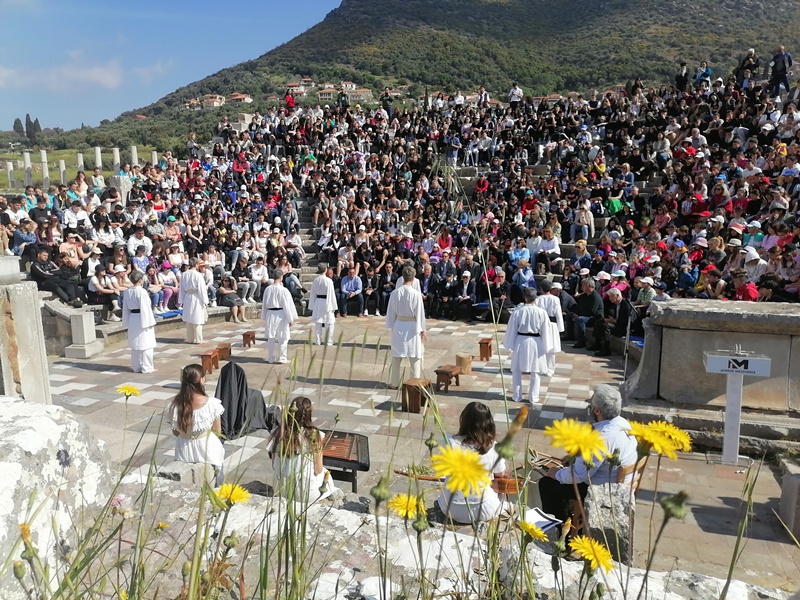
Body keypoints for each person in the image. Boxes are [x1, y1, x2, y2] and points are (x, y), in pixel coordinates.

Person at [538, 385, 638, 523]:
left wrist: (555, 473)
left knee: (547, 484)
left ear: (597, 410)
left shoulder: (600, 438)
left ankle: (559, 530)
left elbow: (579, 476)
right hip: (623, 484)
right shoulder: (623, 422)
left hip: (603, 491)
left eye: (591, 405)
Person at [435, 402, 512, 524]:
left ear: (464, 420)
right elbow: (500, 474)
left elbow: (443, 471)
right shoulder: (495, 447)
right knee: (504, 498)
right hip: (485, 509)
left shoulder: (450, 442)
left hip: (451, 508)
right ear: (489, 423)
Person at [268, 396, 334, 503]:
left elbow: (273, 465)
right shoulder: (315, 435)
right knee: (327, 475)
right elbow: (318, 470)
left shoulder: (277, 433)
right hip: (306, 494)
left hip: (280, 489)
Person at [169, 364, 225, 486]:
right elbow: (217, 431)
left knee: (187, 483)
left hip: (183, 447)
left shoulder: (175, 405)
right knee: (214, 483)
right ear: (201, 379)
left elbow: (175, 431)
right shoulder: (212, 404)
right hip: (207, 446)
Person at [503, 287, 551, 403]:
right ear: (536, 298)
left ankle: (517, 395)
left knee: (517, 370)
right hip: (536, 341)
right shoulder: (542, 312)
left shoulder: (518, 311)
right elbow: (546, 330)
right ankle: (533, 397)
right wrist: (547, 345)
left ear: (525, 298)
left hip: (521, 341)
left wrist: (510, 343)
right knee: (535, 371)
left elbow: (511, 329)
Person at [385, 266, 427, 389]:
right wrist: (423, 330)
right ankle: (414, 384)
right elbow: (420, 313)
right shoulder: (416, 294)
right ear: (413, 278)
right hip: (413, 326)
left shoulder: (394, 293)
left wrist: (392, 326)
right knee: (414, 356)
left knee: (396, 357)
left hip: (399, 324)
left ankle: (394, 383)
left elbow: (390, 312)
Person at [122, 270, 157, 374]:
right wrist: (149, 321)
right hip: (143, 317)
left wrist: (126, 320)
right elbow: (146, 307)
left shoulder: (127, 291)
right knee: (146, 344)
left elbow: (125, 308)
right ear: (140, 280)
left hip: (133, 318)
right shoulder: (142, 292)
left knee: (135, 344)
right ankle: (147, 367)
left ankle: (136, 367)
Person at [260, 269, 298, 364]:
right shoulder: (283, 290)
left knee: (271, 337)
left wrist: (264, 316)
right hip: (281, 314)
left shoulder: (268, 289)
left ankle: (270, 358)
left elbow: (264, 303)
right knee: (283, 337)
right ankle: (282, 358)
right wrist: (290, 319)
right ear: (281, 277)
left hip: (270, 313)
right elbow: (287, 305)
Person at [593, 288, 634, 357]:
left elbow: (627, 321)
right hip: (617, 323)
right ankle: (597, 344)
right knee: (599, 322)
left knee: (607, 326)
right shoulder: (615, 304)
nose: (609, 299)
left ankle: (606, 350)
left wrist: (614, 321)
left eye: (611, 296)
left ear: (617, 296)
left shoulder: (626, 305)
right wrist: (611, 319)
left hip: (624, 327)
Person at [534, 280, 564, 375]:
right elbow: (558, 314)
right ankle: (550, 369)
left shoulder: (538, 299)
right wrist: (560, 328)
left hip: (542, 325)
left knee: (542, 346)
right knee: (551, 347)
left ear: (541, 288)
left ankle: (541, 367)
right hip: (552, 324)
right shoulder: (556, 299)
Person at [179, 258, 209, 344]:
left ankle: (190, 339)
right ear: (196, 264)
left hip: (187, 297)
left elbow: (181, 288)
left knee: (189, 318)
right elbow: (202, 289)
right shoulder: (198, 275)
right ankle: (198, 339)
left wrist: (181, 300)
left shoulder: (184, 274)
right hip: (196, 297)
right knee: (197, 318)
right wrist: (205, 301)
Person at [310, 262, 338, 345]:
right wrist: (333, 306)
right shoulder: (328, 281)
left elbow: (313, 293)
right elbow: (331, 294)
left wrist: (313, 304)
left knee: (318, 323)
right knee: (329, 322)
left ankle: (318, 340)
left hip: (318, 301)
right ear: (325, 270)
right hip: (327, 302)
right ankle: (329, 341)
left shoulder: (316, 280)